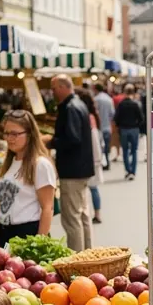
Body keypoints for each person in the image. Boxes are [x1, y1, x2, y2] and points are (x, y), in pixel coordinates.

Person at [0, 109, 55, 246]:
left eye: (15, 134)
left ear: (30, 134)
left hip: (26, 234)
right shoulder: (9, 163)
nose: (9, 138)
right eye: (7, 133)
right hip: (4, 233)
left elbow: (47, 208)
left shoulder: (40, 165)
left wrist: (38, 244)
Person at [48, 75, 93, 252]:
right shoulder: (78, 104)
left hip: (72, 170)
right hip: (81, 169)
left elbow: (72, 139)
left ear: (62, 87)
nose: (52, 92)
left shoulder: (70, 107)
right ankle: (88, 254)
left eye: (53, 88)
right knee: (82, 216)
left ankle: (78, 257)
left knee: (72, 219)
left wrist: (51, 141)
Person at [76, 87, 104, 225]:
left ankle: (92, 214)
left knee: (88, 188)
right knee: (93, 188)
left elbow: (93, 139)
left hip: (89, 158)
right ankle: (97, 213)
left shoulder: (86, 116)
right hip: (94, 157)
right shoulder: (93, 115)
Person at [115, 83, 144, 180]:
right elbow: (141, 118)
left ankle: (128, 170)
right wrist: (137, 126)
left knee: (125, 150)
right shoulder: (135, 104)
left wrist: (120, 126)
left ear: (124, 92)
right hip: (134, 129)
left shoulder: (121, 104)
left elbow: (116, 118)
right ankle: (133, 171)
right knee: (134, 151)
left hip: (123, 129)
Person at [93, 82, 115, 171]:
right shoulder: (109, 99)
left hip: (98, 128)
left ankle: (100, 164)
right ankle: (107, 163)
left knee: (98, 147)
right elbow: (112, 114)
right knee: (106, 147)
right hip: (107, 127)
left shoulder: (95, 99)